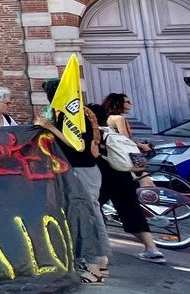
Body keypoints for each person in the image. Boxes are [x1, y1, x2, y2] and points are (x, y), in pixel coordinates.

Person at [35, 81, 109, 283]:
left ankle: (93, 267)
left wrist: (49, 127)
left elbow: (78, 144)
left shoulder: (72, 114)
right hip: (87, 168)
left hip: (80, 169)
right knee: (92, 212)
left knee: (84, 215)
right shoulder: (81, 112)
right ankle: (101, 263)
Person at [92, 103, 166, 264]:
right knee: (132, 211)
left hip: (105, 176)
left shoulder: (96, 134)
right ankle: (152, 249)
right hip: (125, 177)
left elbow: (95, 154)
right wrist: (143, 174)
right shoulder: (114, 133)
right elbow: (134, 154)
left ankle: (99, 249)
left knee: (91, 209)